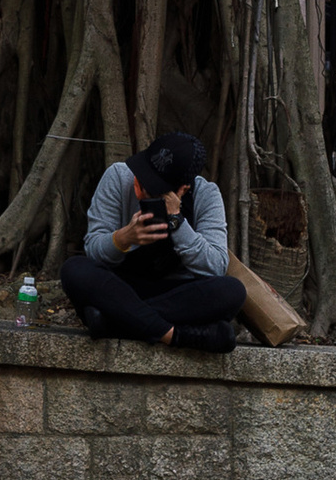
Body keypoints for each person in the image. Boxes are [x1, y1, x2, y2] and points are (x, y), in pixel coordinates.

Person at [62, 131, 248, 353]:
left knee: (232, 292)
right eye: (142, 175)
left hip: (175, 295)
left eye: (151, 188)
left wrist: (177, 220)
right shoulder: (119, 177)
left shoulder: (206, 195)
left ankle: (111, 323)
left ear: (182, 189)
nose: (139, 192)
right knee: (74, 269)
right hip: (121, 287)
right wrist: (122, 239)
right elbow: (93, 248)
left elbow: (216, 265)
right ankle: (175, 335)